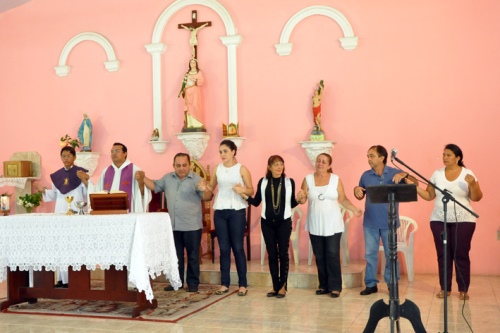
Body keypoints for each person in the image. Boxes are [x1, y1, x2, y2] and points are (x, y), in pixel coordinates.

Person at [407, 144, 482, 300]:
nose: (445, 158)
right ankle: (445, 288)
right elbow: (429, 196)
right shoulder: (437, 174)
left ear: (458, 158)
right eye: (444, 155)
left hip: (464, 220)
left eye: (448, 155)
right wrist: (414, 187)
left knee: (460, 254)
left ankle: (463, 289)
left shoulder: (468, 174)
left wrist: (473, 184)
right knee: (443, 254)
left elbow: (476, 197)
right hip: (439, 219)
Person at [138, 153, 213, 293]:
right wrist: (143, 178)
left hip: (192, 226)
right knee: (175, 256)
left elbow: (207, 197)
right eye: (178, 165)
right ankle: (176, 283)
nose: (181, 168)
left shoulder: (197, 180)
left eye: (184, 165)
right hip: (173, 226)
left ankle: (192, 284)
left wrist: (206, 189)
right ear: (173, 166)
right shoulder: (168, 178)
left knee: (193, 256)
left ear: (189, 165)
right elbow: (154, 186)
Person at [297, 153, 362, 298]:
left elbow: (343, 199)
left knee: (332, 253)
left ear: (329, 165)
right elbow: (302, 199)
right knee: (319, 255)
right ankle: (324, 285)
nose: (320, 163)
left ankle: (335, 286)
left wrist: (354, 208)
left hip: (332, 223)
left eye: (324, 162)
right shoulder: (307, 179)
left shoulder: (335, 179)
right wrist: (300, 197)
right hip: (315, 222)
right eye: (318, 161)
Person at [353, 145, 412, 296]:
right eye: (368, 156)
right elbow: (360, 194)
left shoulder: (395, 173)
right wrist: (356, 191)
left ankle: (392, 284)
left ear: (382, 157)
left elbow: (415, 185)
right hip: (370, 223)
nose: (368, 159)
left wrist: (405, 174)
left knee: (391, 255)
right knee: (370, 255)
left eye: (371, 156)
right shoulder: (365, 176)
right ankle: (371, 284)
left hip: (389, 223)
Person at [239, 155, 298, 298]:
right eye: (276, 164)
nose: (279, 167)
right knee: (272, 254)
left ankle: (283, 286)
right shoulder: (263, 182)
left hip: (284, 222)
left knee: (283, 254)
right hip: (267, 223)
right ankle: (275, 285)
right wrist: (244, 194)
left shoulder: (289, 182)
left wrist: (300, 199)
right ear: (269, 167)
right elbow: (257, 201)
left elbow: (292, 203)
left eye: (281, 164)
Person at [33, 145, 90, 288]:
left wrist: (85, 180)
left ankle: (74, 278)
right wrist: (43, 190)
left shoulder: (80, 173)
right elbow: (54, 195)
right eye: (63, 156)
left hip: (76, 214)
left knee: (74, 245)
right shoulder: (57, 176)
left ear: (75, 157)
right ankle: (62, 279)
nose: (66, 158)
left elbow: (88, 192)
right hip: (60, 213)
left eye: (69, 156)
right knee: (61, 246)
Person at [205, 139, 253, 296]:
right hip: (220, 210)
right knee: (224, 248)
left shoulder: (242, 169)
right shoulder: (217, 169)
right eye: (220, 152)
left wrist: (242, 190)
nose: (222, 154)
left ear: (233, 151)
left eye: (225, 151)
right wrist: (203, 187)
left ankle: (243, 284)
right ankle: (224, 283)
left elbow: (251, 190)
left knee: (237, 247)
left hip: (237, 210)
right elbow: (211, 187)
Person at [89, 142, 151, 213]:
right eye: (112, 152)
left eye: (117, 151)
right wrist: (87, 181)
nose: (114, 153)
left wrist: (141, 182)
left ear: (125, 153)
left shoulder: (134, 170)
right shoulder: (105, 171)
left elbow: (142, 194)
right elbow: (97, 191)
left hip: (129, 213)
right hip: (108, 213)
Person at [178, 58, 205, 131]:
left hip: (195, 90)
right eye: (191, 63)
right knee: (189, 106)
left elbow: (201, 81)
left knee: (195, 105)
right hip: (188, 91)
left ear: (196, 64)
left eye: (193, 63)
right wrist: (183, 88)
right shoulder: (187, 73)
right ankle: (190, 124)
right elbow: (184, 82)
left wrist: (195, 80)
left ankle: (198, 123)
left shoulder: (199, 72)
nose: (192, 64)